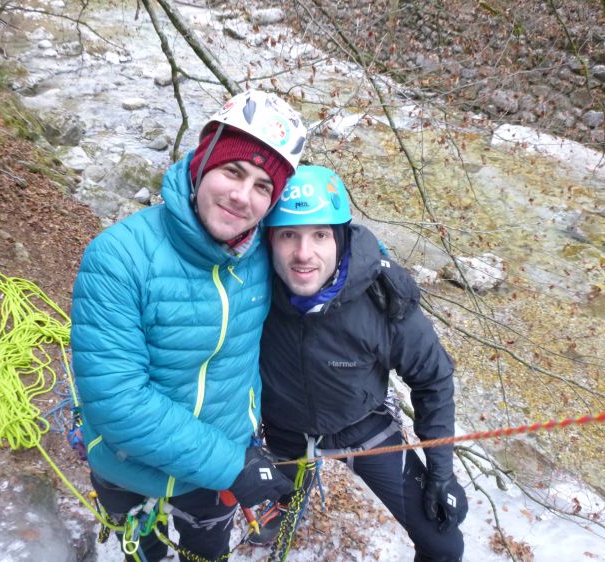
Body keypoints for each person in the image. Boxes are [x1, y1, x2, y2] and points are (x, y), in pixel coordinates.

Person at [70, 89, 307, 562]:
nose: (242, 196)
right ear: (201, 164)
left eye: (263, 186)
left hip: (215, 471)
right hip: (131, 467)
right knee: (143, 551)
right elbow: (118, 402)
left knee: (206, 552)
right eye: (233, 171)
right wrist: (233, 465)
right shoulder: (118, 257)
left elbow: (324, 253)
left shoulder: (264, 253)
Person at [254, 165, 468, 561]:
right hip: (284, 430)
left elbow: (434, 379)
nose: (303, 253)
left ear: (340, 237)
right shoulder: (251, 289)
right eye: (288, 235)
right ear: (269, 240)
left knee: (444, 545)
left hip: (360, 425)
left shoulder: (383, 300)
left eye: (320, 235)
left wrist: (441, 472)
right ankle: (288, 507)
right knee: (281, 509)